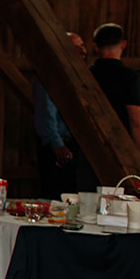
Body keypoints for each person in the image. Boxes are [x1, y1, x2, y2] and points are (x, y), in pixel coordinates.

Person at [32, 31, 94, 196]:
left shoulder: (82, 78)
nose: (82, 50)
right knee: (57, 196)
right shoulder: (51, 78)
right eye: (76, 47)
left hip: (78, 147)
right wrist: (57, 144)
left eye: (82, 45)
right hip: (59, 147)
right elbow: (45, 114)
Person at [90, 24, 140, 153]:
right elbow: (135, 116)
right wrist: (138, 150)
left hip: (90, 143)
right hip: (121, 145)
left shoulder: (85, 74)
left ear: (95, 47)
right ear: (123, 44)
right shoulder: (129, 76)